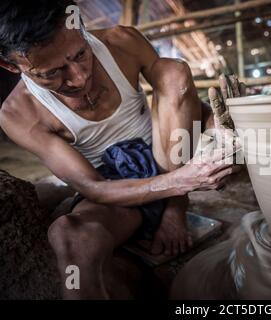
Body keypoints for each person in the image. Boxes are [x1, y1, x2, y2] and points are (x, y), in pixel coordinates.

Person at [0, 0, 242, 299]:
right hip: (119, 192)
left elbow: (182, 100)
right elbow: (95, 188)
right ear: (11, 66)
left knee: (174, 72)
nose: (79, 77)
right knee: (69, 236)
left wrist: (217, 127)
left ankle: (174, 208)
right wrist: (184, 181)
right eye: (52, 72)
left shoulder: (121, 42)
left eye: (80, 54)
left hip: (167, 155)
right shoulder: (18, 113)